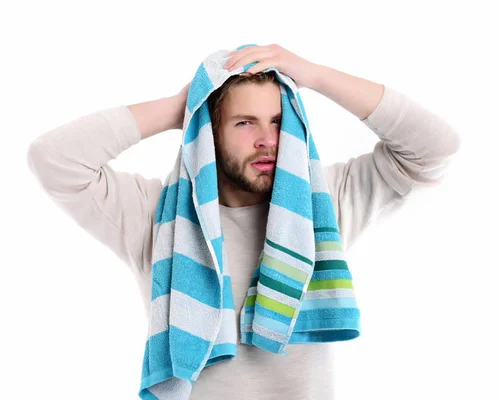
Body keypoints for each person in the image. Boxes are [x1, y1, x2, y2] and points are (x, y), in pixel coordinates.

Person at [26, 44, 461, 399]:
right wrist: (187, 106)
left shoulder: (322, 207)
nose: (267, 140)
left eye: (277, 121)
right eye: (244, 122)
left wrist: (318, 75)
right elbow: (53, 160)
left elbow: (436, 148)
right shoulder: (157, 217)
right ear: (208, 132)